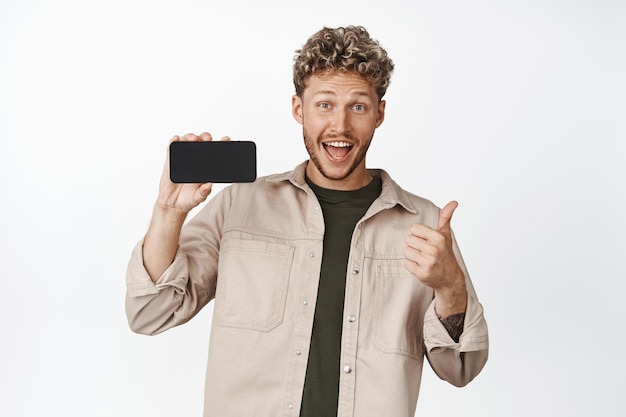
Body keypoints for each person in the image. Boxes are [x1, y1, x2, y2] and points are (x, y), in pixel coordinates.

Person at [125, 25, 489, 417]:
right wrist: (169, 212)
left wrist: (450, 287)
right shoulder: (239, 207)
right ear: (299, 108)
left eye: (359, 106)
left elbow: (460, 368)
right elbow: (151, 312)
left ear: (380, 114)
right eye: (325, 105)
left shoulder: (425, 224)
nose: (341, 127)